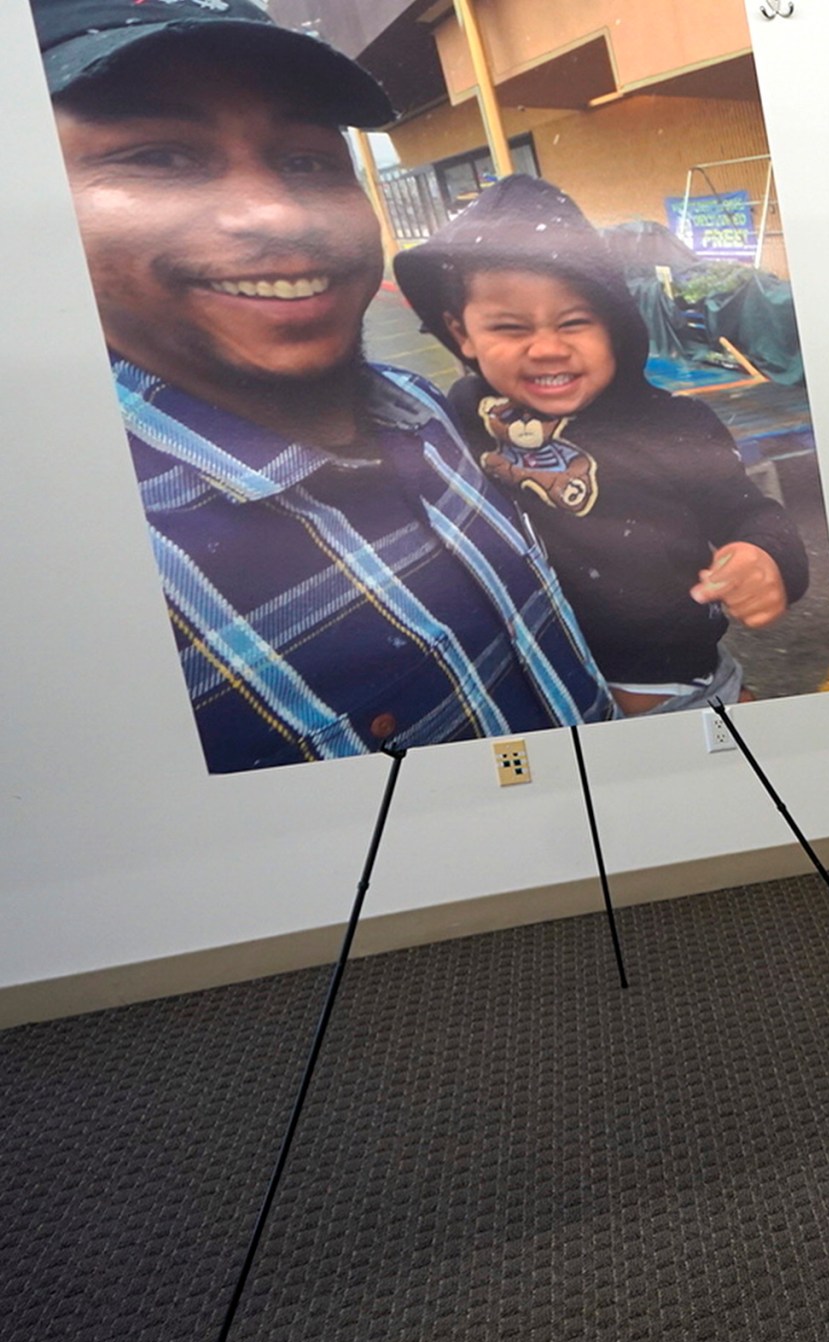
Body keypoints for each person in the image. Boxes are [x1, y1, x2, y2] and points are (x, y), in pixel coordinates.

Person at [39, 0, 612, 773]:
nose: (277, 213)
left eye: (308, 160)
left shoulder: (426, 411)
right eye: (159, 158)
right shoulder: (61, 585)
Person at [395, 176, 810, 716]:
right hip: (528, 690)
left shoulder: (669, 425)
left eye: (574, 322)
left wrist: (764, 558)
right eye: (509, 327)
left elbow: (750, 514)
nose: (546, 348)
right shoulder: (460, 412)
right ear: (462, 332)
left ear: (613, 324)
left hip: (670, 697)